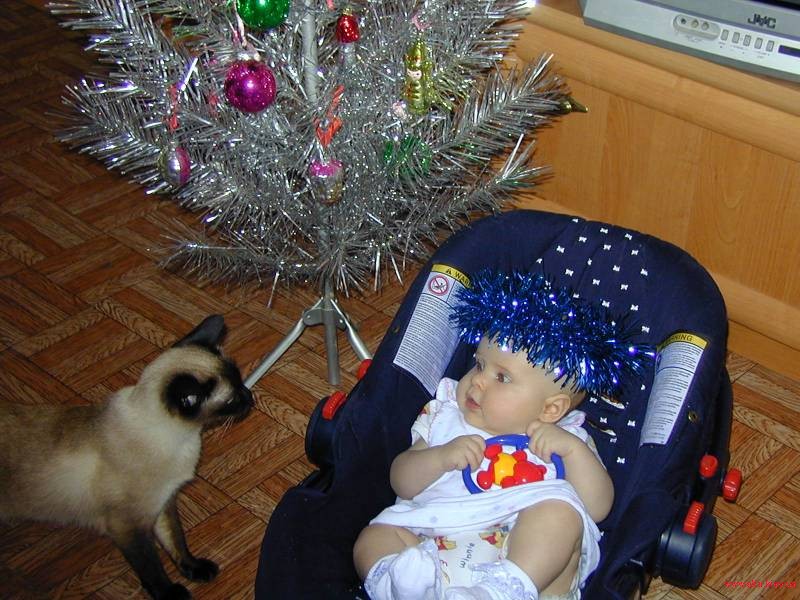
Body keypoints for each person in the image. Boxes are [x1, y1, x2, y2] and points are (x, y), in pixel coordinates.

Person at [353, 270, 653, 600]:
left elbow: (598, 508)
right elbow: (401, 481)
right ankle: (402, 587)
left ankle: (501, 590)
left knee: (560, 516)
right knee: (374, 538)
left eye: (502, 378)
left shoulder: (564, 440)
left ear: (550, 409)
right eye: (479, 364)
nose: (478, 380)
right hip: (430, 545)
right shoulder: (445, 414)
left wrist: (573, 452)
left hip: (521, 561)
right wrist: (439, 459)